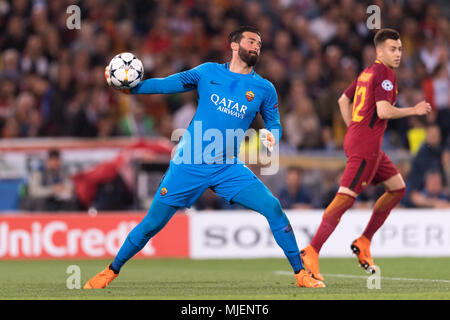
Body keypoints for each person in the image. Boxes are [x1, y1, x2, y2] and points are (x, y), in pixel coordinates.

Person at [84, 26, 324, 289]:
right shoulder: (207, 72)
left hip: (227, 167)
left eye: (260, 43)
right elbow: (167, 84)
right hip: (189, 163)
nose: (257, 45)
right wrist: (131, 90)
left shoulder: (264, 88)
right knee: (152, 225)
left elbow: (275, 123)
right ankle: (111, 271)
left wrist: (272, 136)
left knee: (273, 207)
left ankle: (301, 274)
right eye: (251, 41)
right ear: (234, 45)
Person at [300, 28, 432, 282]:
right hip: (366, 146)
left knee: (397, 188)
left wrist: (354, 129)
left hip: (363, 142)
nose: (398, 54)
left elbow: (342, 100)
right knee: (345, 198)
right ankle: (312, 250)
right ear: (379, 51)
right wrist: (413, 110)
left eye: (400, 49)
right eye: (392, 49)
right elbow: (383, 111)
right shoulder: (384, 73)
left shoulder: (367, 72)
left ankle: (364, 240)